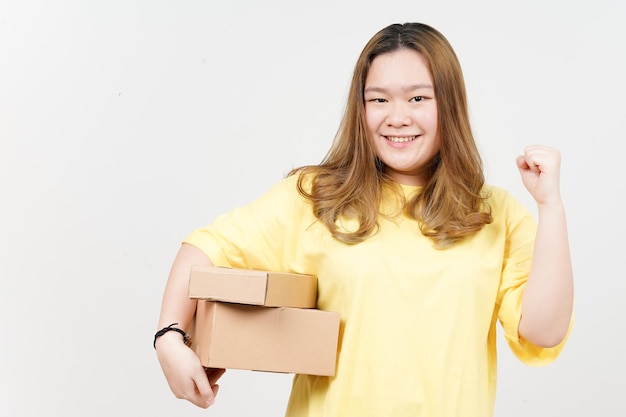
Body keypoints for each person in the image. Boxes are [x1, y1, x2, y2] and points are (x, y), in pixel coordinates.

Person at [154, 22, 574, 416]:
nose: (397, 116)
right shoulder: (318, 197)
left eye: (418, 98)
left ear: (450, 105)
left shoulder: (493, 214)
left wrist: (550, 206)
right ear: (361, 108)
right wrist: (169, 336)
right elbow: (205, 248)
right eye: (379, 99)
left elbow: (542, 331)